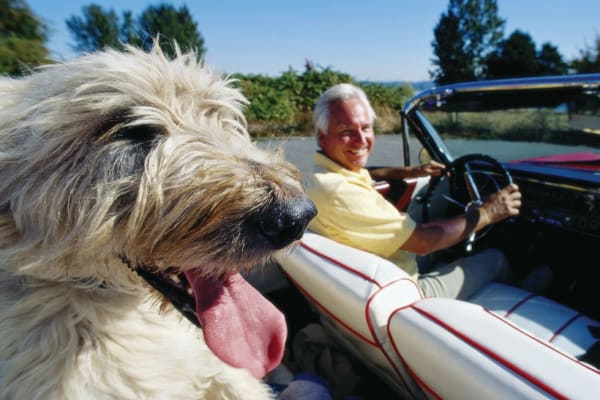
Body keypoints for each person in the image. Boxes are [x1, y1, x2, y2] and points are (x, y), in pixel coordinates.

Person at [306, 83, 523, 300]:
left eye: (365, 128)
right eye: (346, 131)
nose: (361, 141)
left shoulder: (325, 176)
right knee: (496, 258)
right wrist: (486, 213)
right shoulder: (340, 193)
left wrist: (412, 171)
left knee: (447, 248)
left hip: (380, 271)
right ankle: (527, 290)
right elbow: (423, 241)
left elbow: (366, 173)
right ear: (322, 136)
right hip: (406, 296)